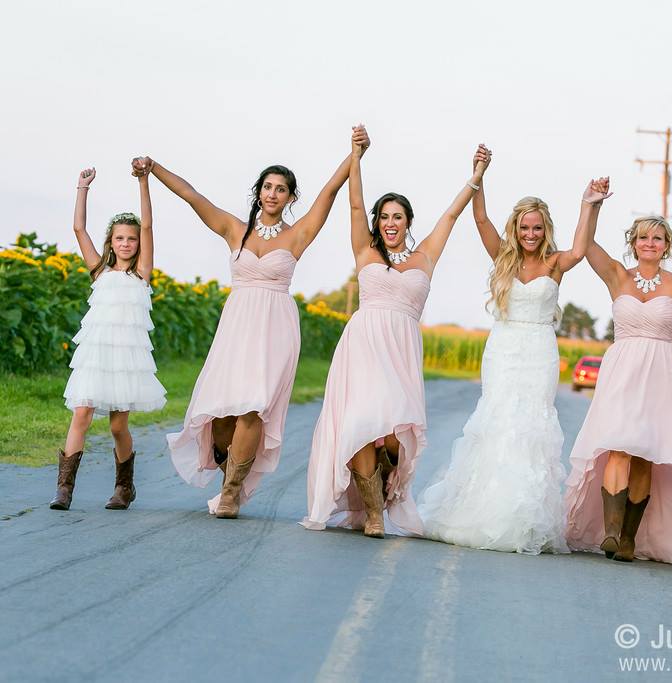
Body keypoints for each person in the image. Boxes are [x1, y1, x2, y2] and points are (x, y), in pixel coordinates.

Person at [138, 133, 356, 518]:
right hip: (237, 326)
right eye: (268, 187)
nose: (273, 194)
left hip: (276, 328)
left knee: (254, 408)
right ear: (259, 193)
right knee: (222, 417)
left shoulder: (298, 234)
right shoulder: (234, 229)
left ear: (290, 197)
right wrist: (153, 170)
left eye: (282, 189)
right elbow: (192, 195)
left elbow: (330, 191)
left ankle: (230, 494)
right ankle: (229, 476)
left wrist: (355, 154)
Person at [418, 149, 610, 555]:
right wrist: (479, 175)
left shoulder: (557, 263)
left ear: (545, 229)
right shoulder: (503, 257)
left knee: (531, 427)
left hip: (540, 349)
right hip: (503, 348)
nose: (530, 234)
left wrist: (588, 204)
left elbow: (580, 248)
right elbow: (481, 220)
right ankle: (483, 509)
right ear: (517, 228)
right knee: (498, 419)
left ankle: (524, 517)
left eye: (537, 228)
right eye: (525, 227)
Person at [302, 133, 490, 537]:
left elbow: (451, 217)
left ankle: (387, 478)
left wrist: (476, 176)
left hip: (401, 352)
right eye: (384, 217)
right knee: (361, 427)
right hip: (363, 347)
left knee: (391, 437)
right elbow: (353, 203)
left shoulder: (426, 255)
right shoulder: (365, 251)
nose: (390, 223)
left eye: (397, 217)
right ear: (378, 222)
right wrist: (356, 156)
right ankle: (372, 516)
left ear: (408, 222)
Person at [564, 218, 672, 565]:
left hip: (661, 374)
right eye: (643, 237)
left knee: (646, 455)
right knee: (617, 447)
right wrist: (593, 206)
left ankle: (628, 537)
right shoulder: (617, 275)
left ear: (666, 246)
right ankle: (611, 531)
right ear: (633, 242)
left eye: (658, 238)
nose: (650, 243)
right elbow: (585, 245)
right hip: (622, 371)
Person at [52, 165, 167, 511]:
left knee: (118, 426)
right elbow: (78, 228)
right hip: (96, 353)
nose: (127, 243)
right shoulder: (99, 270)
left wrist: (143, 181)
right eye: (120, 238)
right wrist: (82, 188)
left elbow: (147, 224)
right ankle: (64, 489)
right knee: (82, 413)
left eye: (131, 239)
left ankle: (124, 486)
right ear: (111, 242)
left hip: (125, 359)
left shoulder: (142, 274)